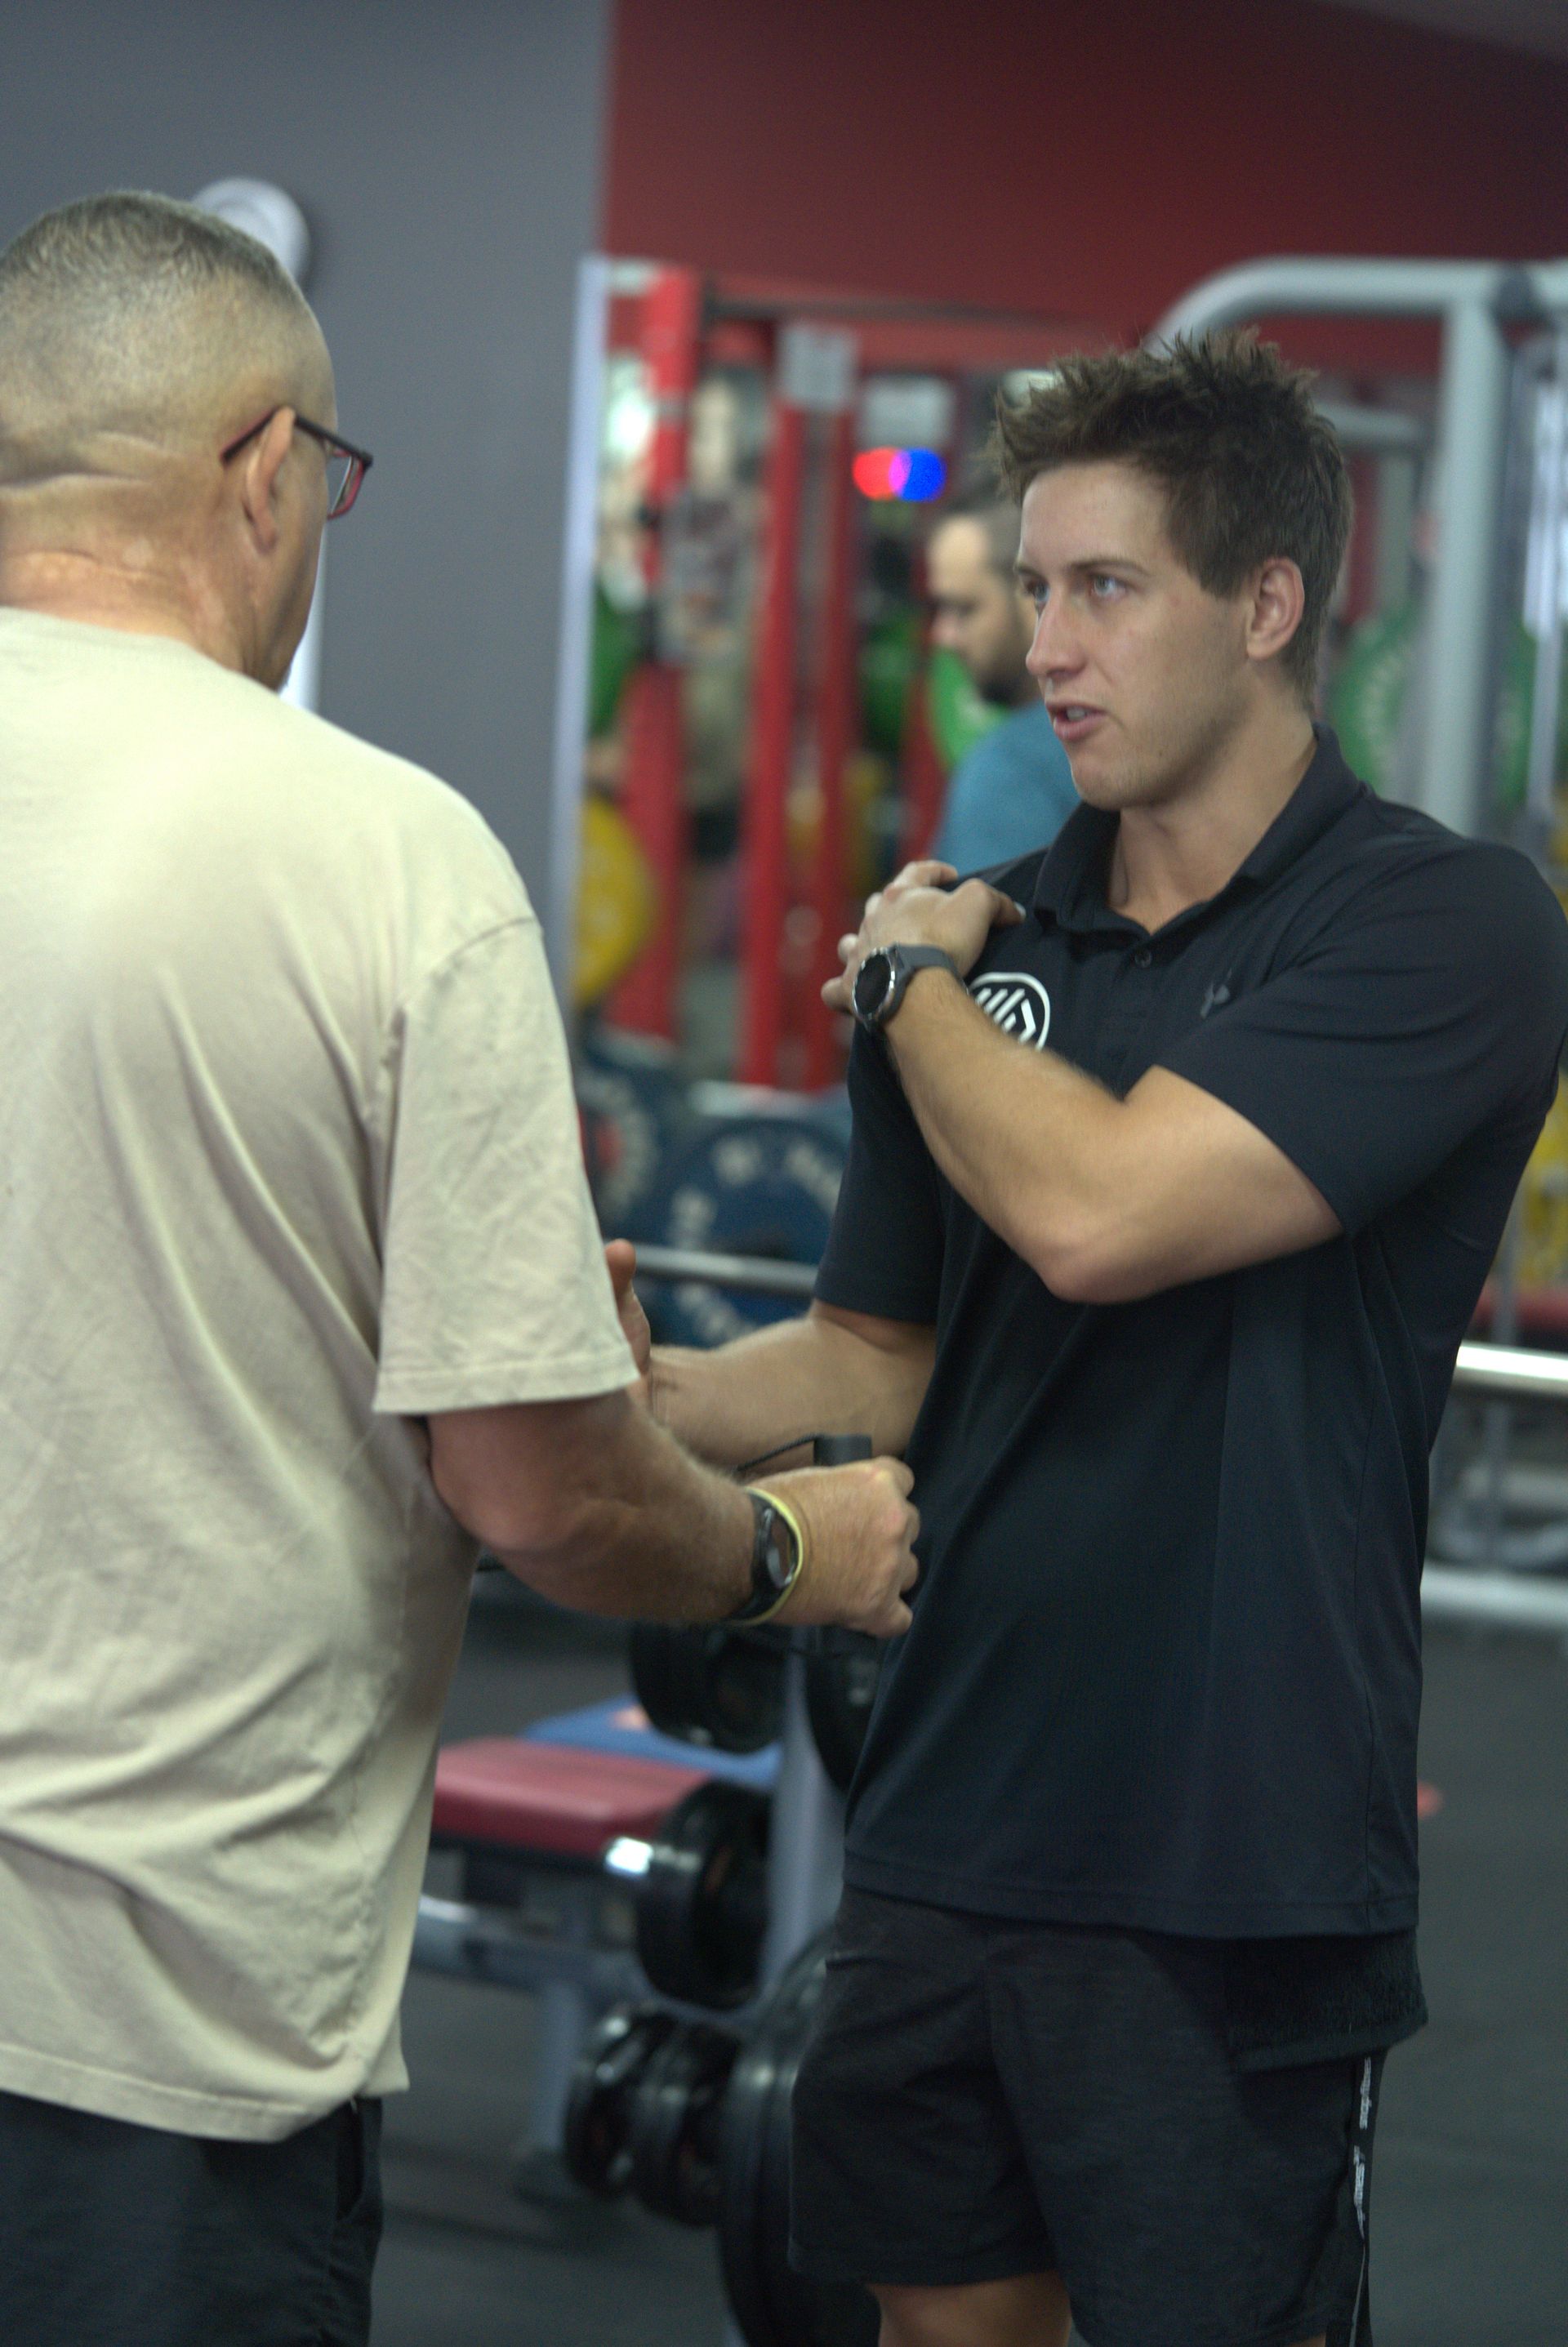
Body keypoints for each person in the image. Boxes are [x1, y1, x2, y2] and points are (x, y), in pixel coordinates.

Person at [0, 190, 919, 2347]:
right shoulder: (375, 857)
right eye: (326, 483)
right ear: (263, 470)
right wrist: (792, 1543)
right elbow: (541, 1491)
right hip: (152, 2040)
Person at [612, 332, 1568, 2347]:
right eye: (1033, 588)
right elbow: (878, 1358)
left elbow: (1102, 1213)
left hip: (1229, 1846)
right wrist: (630, 1397)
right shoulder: (988, 942)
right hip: (953, 1811)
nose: (1048, 643)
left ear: (1269, 605)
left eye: (1104, 589)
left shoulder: (1439, 924)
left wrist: (906, 992)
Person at [927, 486, 1079, 869]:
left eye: (964, 609)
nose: (943, 635)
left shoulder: (1008, 774)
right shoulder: (1113, 744)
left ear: (1032, 598)